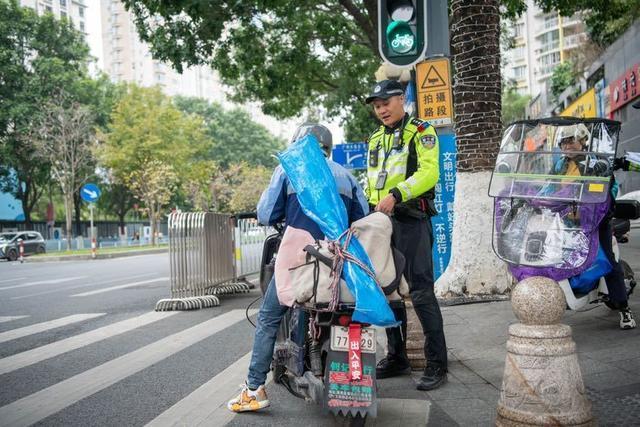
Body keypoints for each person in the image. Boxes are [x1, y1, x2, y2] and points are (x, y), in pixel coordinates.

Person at [227, 123, 369, 412]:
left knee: (267, 317)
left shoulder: (287, 170)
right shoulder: (346, 175)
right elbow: (362, 218)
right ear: (328, 147)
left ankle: (254, 389)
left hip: (300, 263)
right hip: (338, 263)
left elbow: (267, 213)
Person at [364, 79, 448, 390]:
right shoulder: (374, 140)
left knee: (422, 291)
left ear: (402, 99)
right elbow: (373, 183)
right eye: (376, 105)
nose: (381, 109)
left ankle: (437, 363)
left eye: (386, 102)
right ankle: (397, 356)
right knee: (388, 290)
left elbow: (429, 173)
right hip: (381, 224)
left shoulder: (422, 131)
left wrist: (398, 194)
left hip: (411, 220)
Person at [555, 124, 636, 329]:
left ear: (583, 141)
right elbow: (550, 186)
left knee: (607, 261)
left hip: (596, 222)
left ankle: (625, 310)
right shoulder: (559, 166)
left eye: (571, 140)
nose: (567, 145)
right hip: (568, 222)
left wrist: (600, 203)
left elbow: (611, 188)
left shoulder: (597, 162)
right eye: (564, 142)